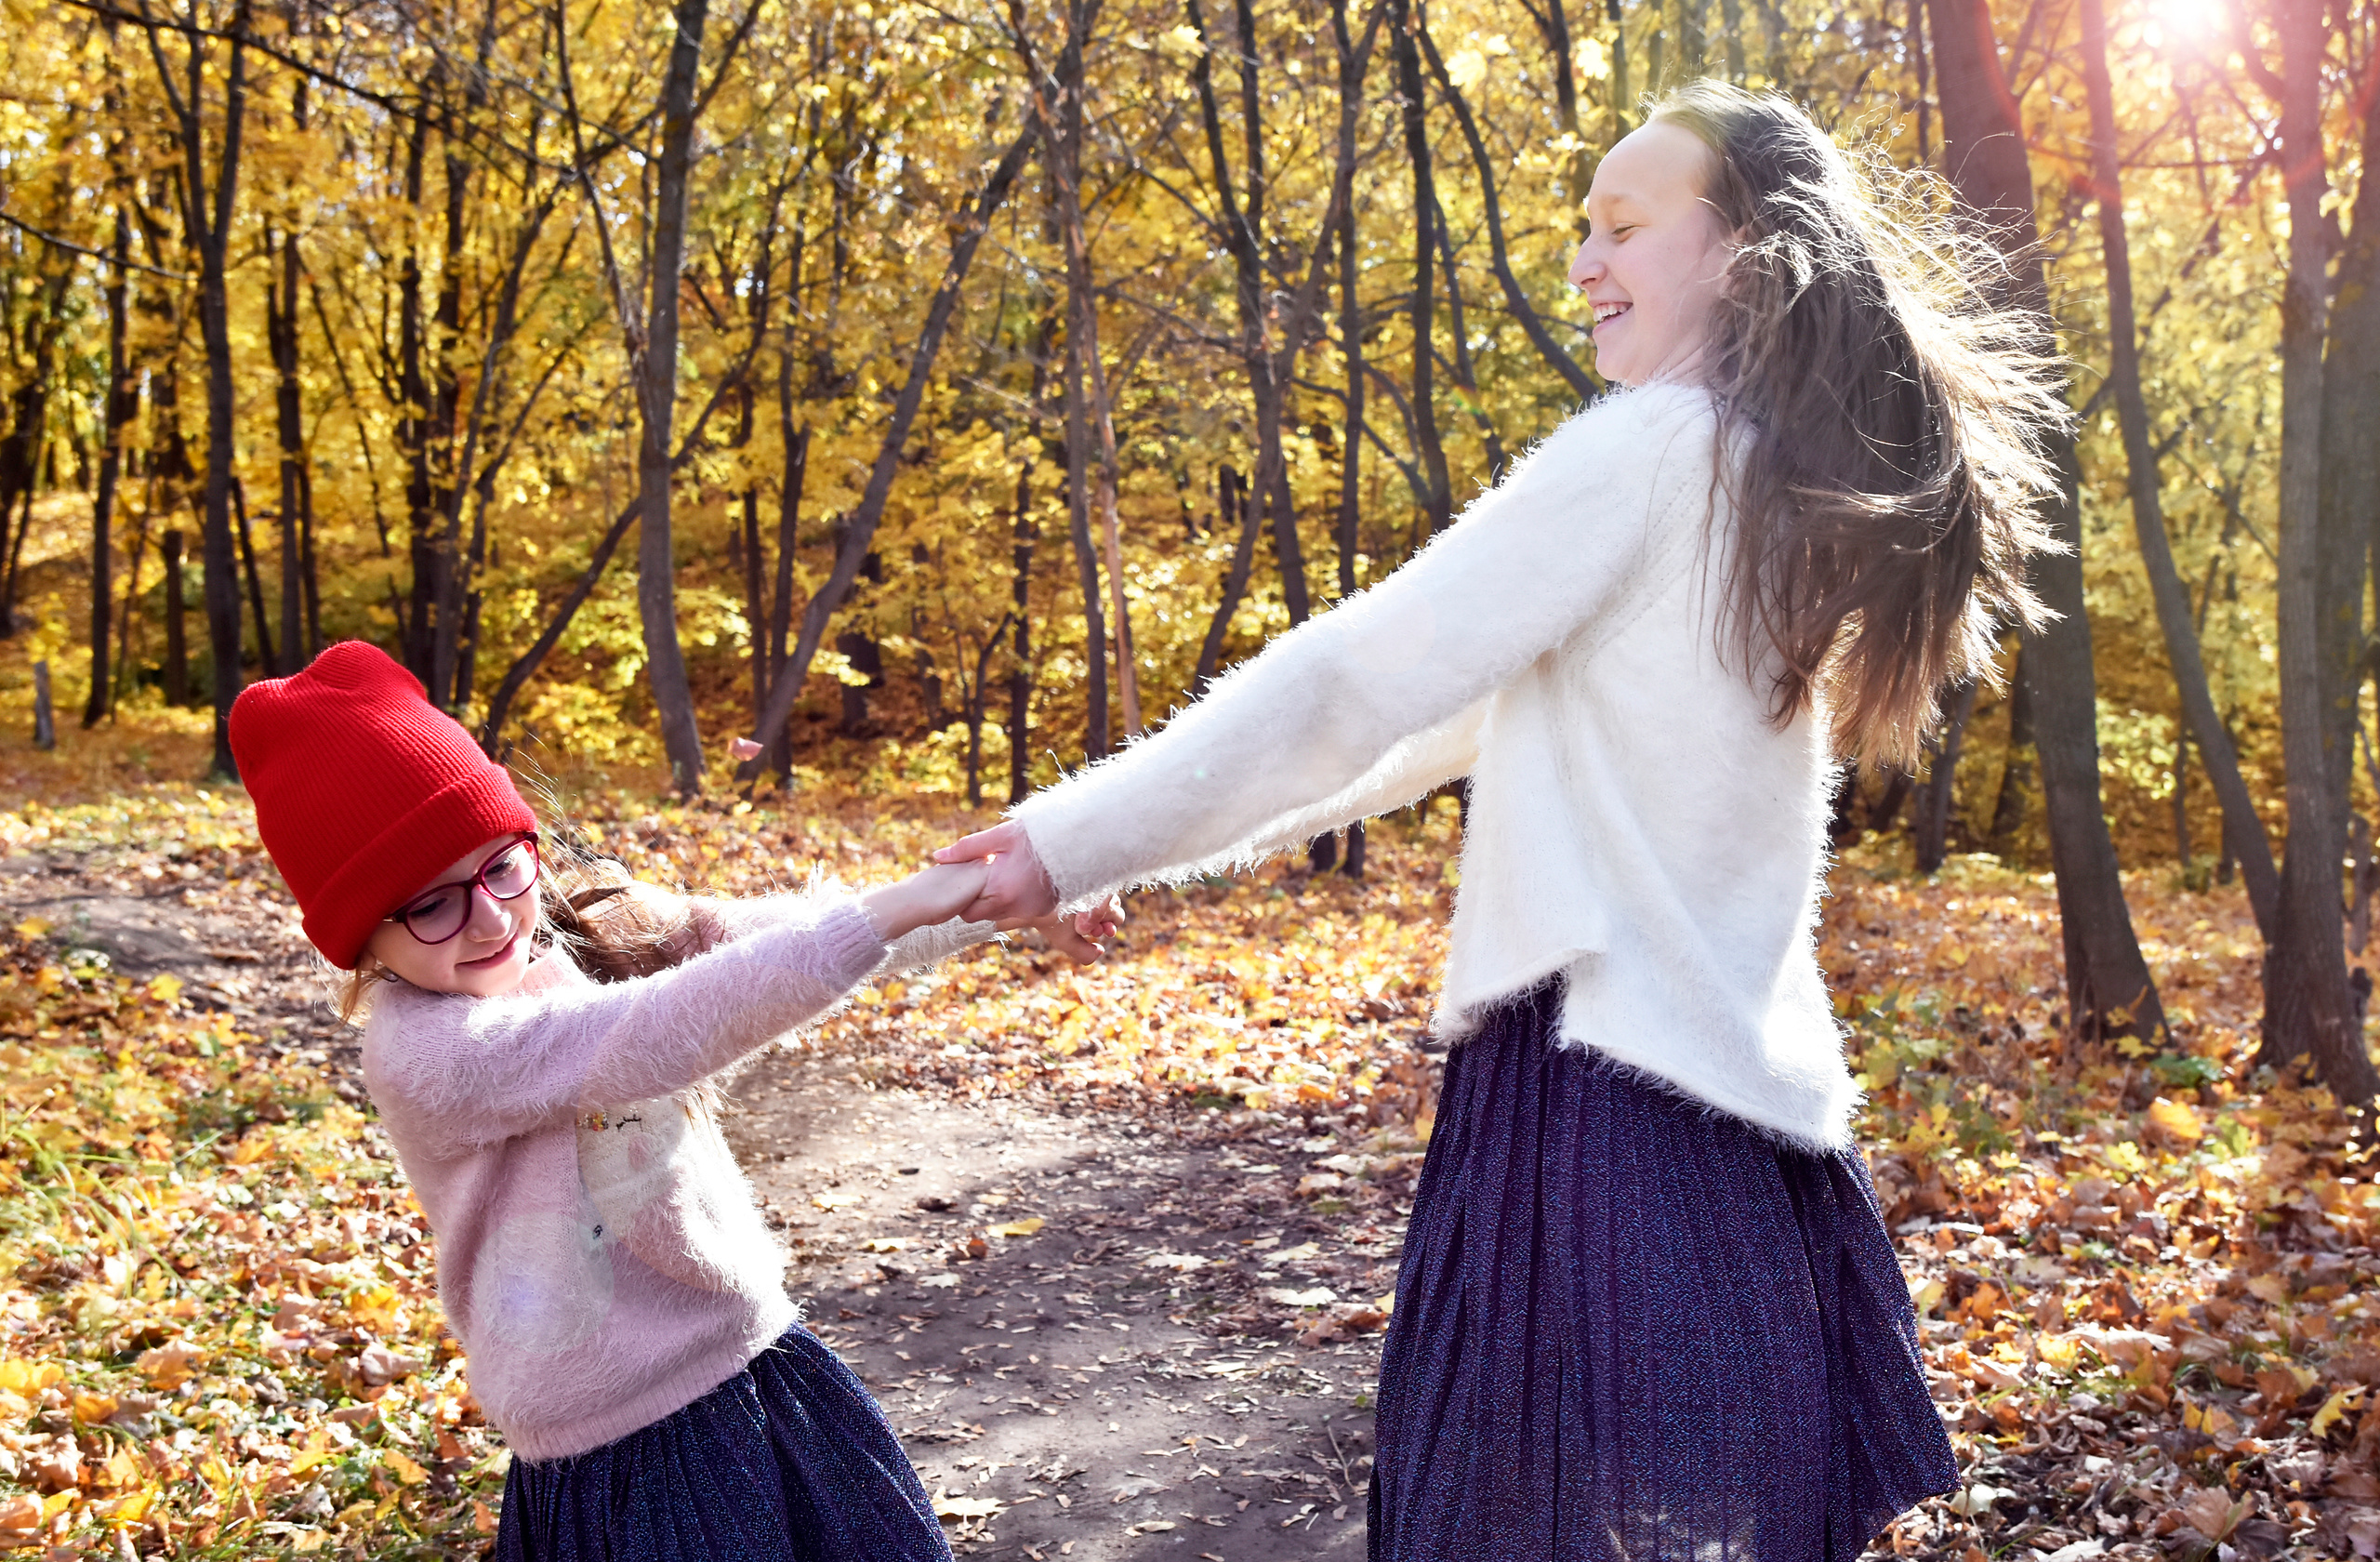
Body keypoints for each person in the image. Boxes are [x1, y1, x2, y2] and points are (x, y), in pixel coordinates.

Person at [936, 81, 2067, 1559]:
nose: (1584, 263)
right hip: (1736, 1104)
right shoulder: (1766, 479)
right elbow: (1424, 733)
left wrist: (1063, 840)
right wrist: (1114, 848)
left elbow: (1358, 678)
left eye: (1621, 227)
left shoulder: (1653, 452)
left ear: (1737, 253)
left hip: (1600, 1093)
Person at [229, 641, 1096, 1561]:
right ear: (362, 936)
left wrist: (993, 904)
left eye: (499, 869)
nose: (487, 918)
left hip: (760, 1369)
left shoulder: (591, 932)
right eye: (429, 906)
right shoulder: (428, 1053)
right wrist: (918, 899)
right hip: (623, 1455)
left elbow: (784, 938)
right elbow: (646, 1034)